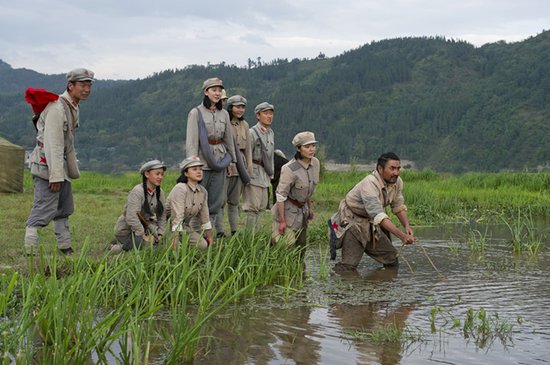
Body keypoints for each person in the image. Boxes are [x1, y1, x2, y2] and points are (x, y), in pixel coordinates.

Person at [24, 67, 94, 256]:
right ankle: (30, 252)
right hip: (48, 164)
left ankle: (65, 248)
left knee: (64, 207)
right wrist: (55, 176)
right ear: (71, 86)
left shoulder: (72, 106)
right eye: (82, 84)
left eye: (89, 84)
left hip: (59, 165)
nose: (86, 89)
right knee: (44, 208)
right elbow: (53, 143)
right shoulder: (57, 107)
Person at [330, 152, 414, 270]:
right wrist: (401, 236)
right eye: (392, 169)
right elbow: (378, 215)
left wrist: (407, 227)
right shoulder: (369, 184)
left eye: (398, 168)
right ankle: (336, 285)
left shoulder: (397, 182)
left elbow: (398, 204)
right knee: (348, 267)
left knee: (391, 259)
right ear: (380, 168)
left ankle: (383, 286)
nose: (396, 173)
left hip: (371, 224)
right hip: (353, 222)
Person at [185, 77, 236, 236]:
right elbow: (192, 140)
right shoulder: (196, 113)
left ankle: (209, 236)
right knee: (198, 200)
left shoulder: (224, 114)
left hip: (220, 160)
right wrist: (193, 164)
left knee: (216, 201)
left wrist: (231, 161)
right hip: (202, 162)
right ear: (206, 92)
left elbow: (228, 139)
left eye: (219, 90)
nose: (217, 93)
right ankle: (193, 236)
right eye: (214, 90)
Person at [272, 132, 320, 251]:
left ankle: (300, 270)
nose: (311, 149)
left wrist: (310, 208)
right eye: (307, 147)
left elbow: (308, 188)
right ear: (299, 149)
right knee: (286, 246)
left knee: (301, 248)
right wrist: (282, 221)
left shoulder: (315, 163)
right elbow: (281, 195)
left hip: (302, 212)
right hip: (287, 212)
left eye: (313, 146)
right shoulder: (289, 168)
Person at [215, 95, 252, 237]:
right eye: (237, 107)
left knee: (235, 200)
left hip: (240, 166)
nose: (240, 110)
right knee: (221, 200)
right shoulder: (224, 122)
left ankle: (234, 230)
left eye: (242, 107)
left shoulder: (245, 125)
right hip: (226, 163)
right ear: (230, 108)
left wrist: (248, 168)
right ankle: (219, 231)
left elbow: (248, 149)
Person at [111, 160, 167, 253]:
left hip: (146, 228)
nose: (160, 177)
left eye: (162, 174)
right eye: (157, 174)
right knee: (147, 249)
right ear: (147, 174)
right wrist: (143, 236)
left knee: (163, 245)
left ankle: (131, 245)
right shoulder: (137, 191)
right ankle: (116, 248)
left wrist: (160, 234)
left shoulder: (160, 192)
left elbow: (162, 216)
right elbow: (131, 216)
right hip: (128, 230)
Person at [166, 156, 213, 250]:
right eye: (194, 169)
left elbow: (205, 216)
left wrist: (209, 237)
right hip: (167, 225)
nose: (199, 172)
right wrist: (175, 239)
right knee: (176, 249)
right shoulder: (180, 188)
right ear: (186, 173)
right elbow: (177, 216)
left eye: (200, 169)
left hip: (184, 227)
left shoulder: (203, 191)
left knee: (202, 245)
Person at [242, 102, 275, 231]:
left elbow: (270, 155)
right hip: (253, 173)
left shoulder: (270, 132)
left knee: (261, 206)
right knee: (252, 207)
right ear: (258, 115)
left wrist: (270, 173)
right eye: (266, 113)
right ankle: (250, 238)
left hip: (265, 174)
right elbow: (246, 154)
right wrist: (247, 174)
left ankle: (257, 236)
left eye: (271, 113)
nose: (269, 116)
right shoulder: (252, 132)